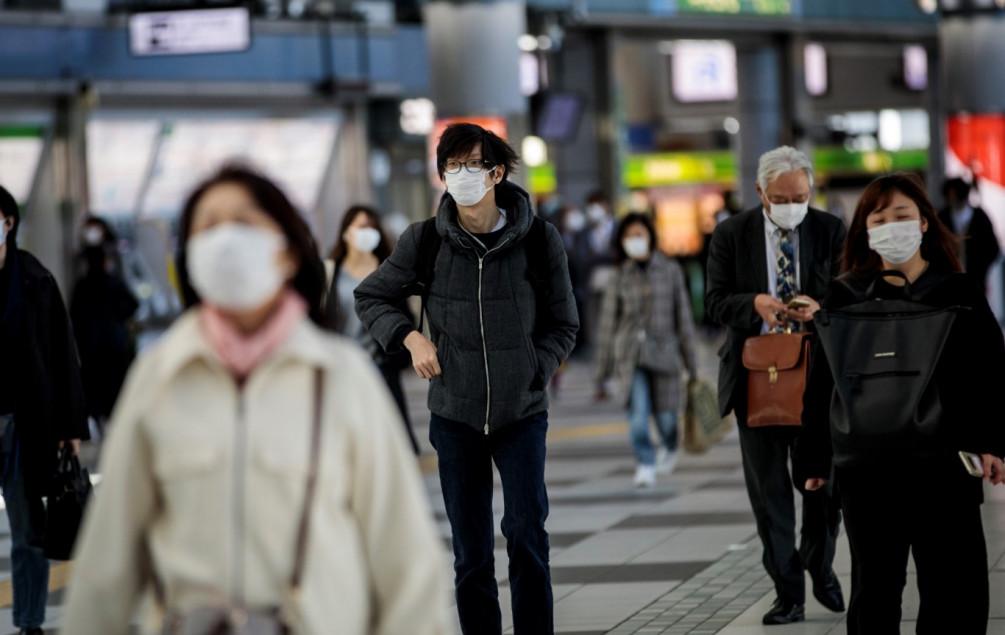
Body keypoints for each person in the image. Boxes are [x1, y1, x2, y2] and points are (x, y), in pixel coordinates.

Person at [63, 166, 450, 635]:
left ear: (287, 253)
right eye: (208, 227)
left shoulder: (340, 378)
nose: (226, 240)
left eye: (245, 223)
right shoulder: (160, 378)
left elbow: (404, 558)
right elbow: (108, 561)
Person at [355, 123, 579, 635]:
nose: (460, 176)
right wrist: (411, 338)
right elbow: (371, 295)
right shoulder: (426, 240)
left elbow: (564, 323)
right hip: (453, 415)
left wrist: (534, 370)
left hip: (521, 413)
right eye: (451, 167)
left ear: (496, 172)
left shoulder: (539, 240)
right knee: (470, 550)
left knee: (527, 537)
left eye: (471, 165)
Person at [797, 173, 1005, 634]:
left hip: (946, 463)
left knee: (953, 588)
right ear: (866, 230)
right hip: (867, 467)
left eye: (903, 216)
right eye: (881, 217)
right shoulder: (844, 294)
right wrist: (813, 456)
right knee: (875, 588)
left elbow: (990, 373)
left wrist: (993, 443)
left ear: (924, 224)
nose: (893, 225)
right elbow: (822, 384)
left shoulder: (958, 291)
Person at [705, 146, 846, 625]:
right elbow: (715, 301)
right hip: (756, 378)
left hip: (818, 378)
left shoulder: (829, 230)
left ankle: (820, 562)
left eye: (801, 196)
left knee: (823, 488)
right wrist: (756, 304)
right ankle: (788, 592)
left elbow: (850, 296)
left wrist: (820, 307)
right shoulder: (731, 234)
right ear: (761, 192)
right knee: (769, 495)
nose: (792, 205)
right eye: (782, 197)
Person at [0, 185, 87, 635]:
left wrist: (71, 425)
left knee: (28, 529)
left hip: (22, 423)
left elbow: (62, 357)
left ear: (8, 223)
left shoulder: (35, 280)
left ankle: (30, 621)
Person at [594, 212, 697, 488]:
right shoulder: (619, 275)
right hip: (630, 355)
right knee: (638, 417)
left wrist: (692, 365)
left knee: (666, 418)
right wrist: (602, 373)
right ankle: (645, 463)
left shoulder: (670, 269)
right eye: (629, 236)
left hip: (665, 354)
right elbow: (607, 325)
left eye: (639, 234)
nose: (635, 240)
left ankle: (669, 445)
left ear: (651, 236)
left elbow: (683, 317)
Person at [325, 205, 419, 453]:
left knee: (388, 442)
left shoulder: (389, 271)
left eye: (371, 226)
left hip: (382, 370)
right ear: (346, 233)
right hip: (342, 369)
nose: (367, 232)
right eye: (360, 226)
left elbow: (405, 317)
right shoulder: (330, 272)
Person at [70, 216, 139, 436]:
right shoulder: (113, 282)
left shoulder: (82, 287)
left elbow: (73, 316)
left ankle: (99, 422)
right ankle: (113, 424)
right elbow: (132, 305)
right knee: (115, 390)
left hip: (91, 348)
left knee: (95, 390)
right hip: (115, 345)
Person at [938, 177, 1000, 290]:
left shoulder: (980, 217)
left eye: (955, 195)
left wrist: (981, 268)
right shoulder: (942, 218)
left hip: (976, 280)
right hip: (949, 281)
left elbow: (993, 249)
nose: (952, 198)